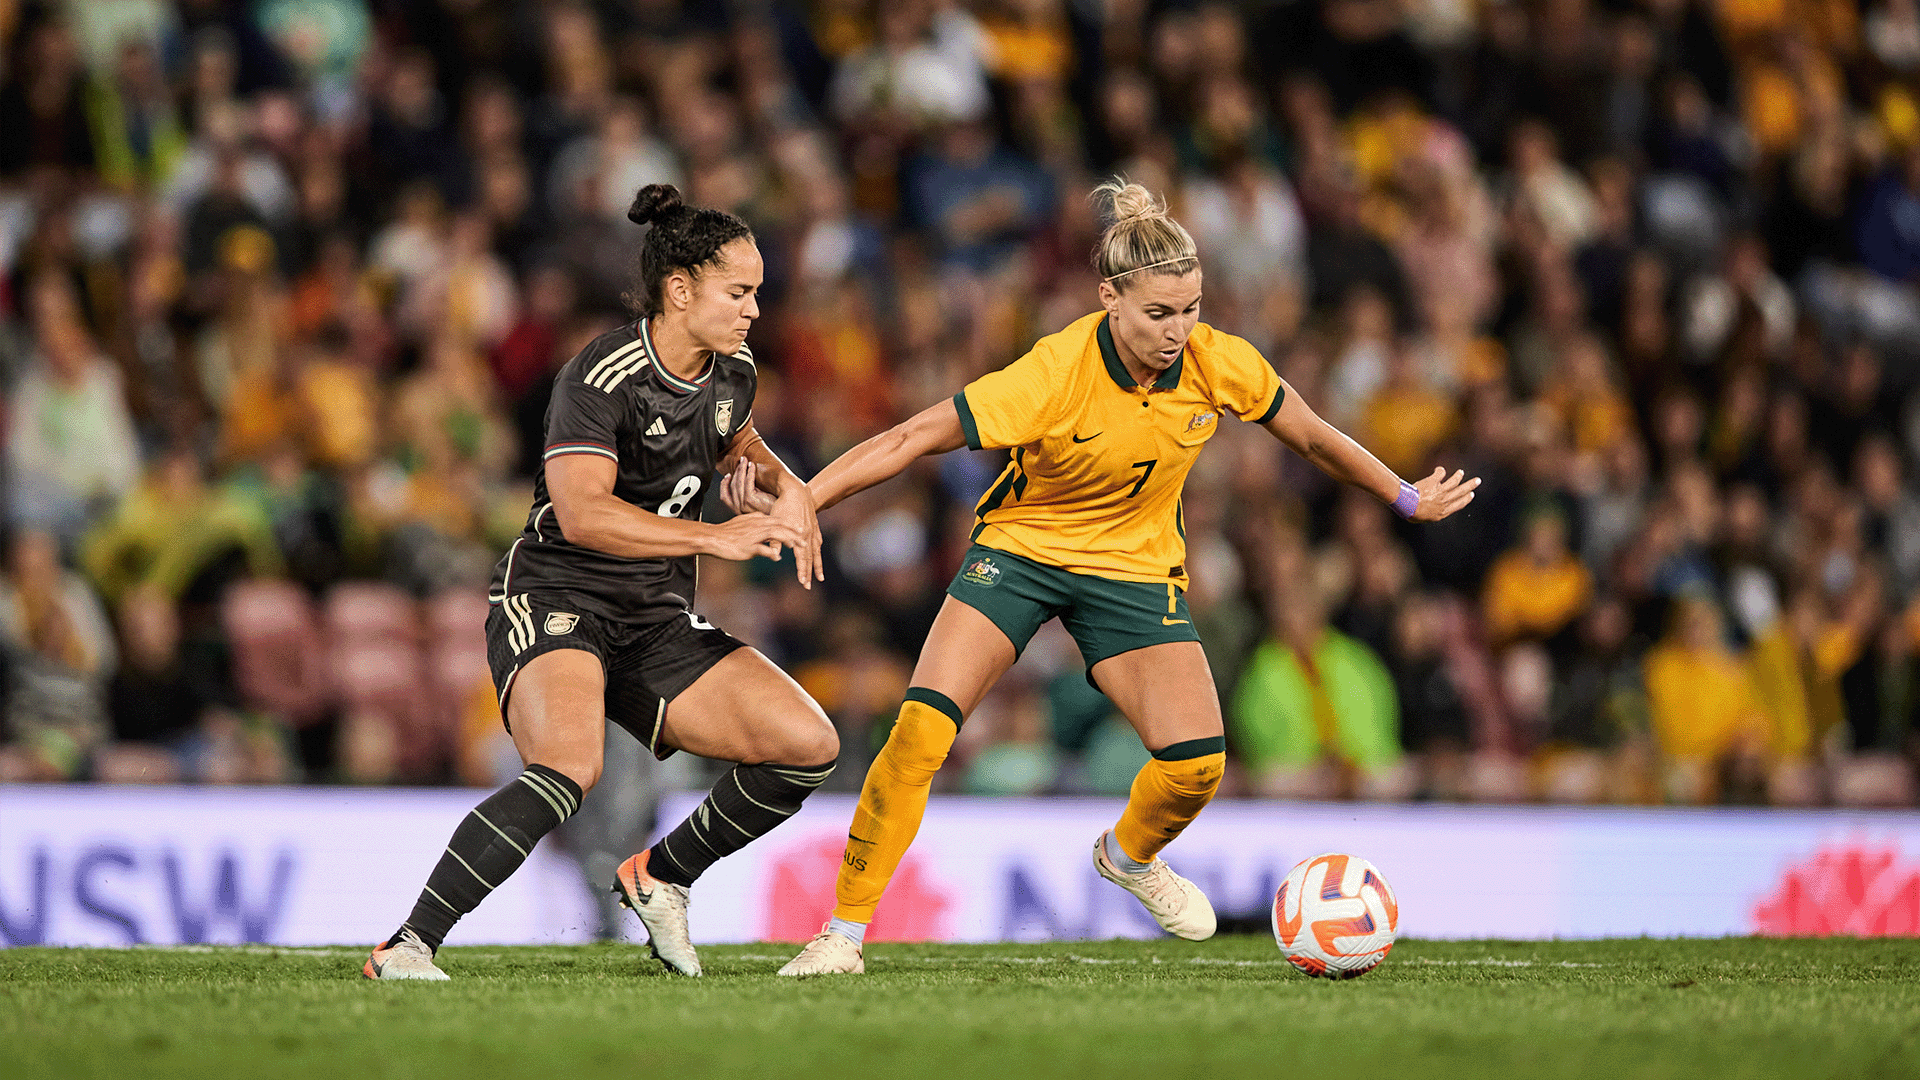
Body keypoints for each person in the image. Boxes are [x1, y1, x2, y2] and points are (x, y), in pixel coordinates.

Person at [766, 180, 1478, 976]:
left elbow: (1311, 435)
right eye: (1159, 313)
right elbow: (909, 437)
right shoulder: (1053, 372)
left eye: (1192, 309)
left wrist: (1404, 495)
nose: (1179, 332)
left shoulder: (1219, 363)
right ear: (1109, 298)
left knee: (1197, 764)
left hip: (1135, 573)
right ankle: (843, 934)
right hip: (1022, 554)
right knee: (920, 734)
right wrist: (806, 497)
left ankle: (1129, 857)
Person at [364, 184, 837, 980]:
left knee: (807, 746)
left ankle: (660, 877)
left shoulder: (734, 371)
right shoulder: (600, 373)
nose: (756, 309)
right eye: (740, 291)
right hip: (558, 598)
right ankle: (407, 946)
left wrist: (786, 491)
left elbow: (736, 442)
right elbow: (583, 515)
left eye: (758, 292)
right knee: (568, 770)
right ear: (679, 290)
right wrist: (715, 539)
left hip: (653, 617)